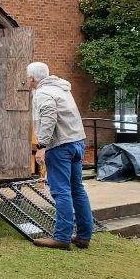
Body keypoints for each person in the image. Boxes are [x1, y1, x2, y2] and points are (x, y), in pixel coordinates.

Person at [27, 62, 93, 250]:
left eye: (27, 77)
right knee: (77, 189)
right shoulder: (61, 88)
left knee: (61, 191)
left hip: (60, 146)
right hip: (77, 142)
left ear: (32, 78)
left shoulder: (42, 93)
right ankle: (83, 236)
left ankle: (62, 238)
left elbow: (49, 117)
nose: (26, 80)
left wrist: (42, 146)